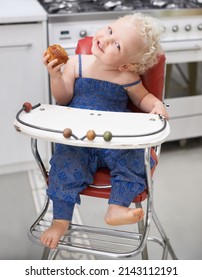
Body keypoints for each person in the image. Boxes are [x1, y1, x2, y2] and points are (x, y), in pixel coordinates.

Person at [40, 12, 169, 249]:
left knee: (135, 158)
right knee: (64, 165)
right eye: (109, 31)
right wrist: (55, 76)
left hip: (113, 139)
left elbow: (143, 99)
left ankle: (117, 206)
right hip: (79, 138)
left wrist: (157, 105)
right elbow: (63, 97)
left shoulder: (126, 76)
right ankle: (60, 220)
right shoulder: (76, 63)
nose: (105, 40)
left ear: (126, 64)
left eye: (117, 45)